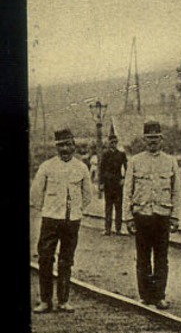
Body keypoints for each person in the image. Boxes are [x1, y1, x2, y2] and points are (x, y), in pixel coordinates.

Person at [32, 128, 93, 313]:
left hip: (71, 221)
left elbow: (87, 195)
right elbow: (35, 193)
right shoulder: (47, 167)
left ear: (74, 145)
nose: (64, 149)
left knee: (66, 260)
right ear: (56, 147)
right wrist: (47, 209)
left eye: (68, 145)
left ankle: (63, 301)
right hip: (50, 219)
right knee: (45, 258)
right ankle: (45, 301)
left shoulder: (81, 167)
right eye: (61, 145)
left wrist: (77, 210)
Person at [124, 120, 181, 308]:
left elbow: (176, 192)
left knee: (161, 257)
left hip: (162, 215)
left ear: (162, 139)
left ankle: (159, 295)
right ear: (144, 139)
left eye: (156, 138)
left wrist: (175, 216)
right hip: (141, 214)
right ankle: (145, 295)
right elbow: (128, 191)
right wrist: (128, 217)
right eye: (149, 138)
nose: (153, 142)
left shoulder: (170, 162)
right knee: (142, 257)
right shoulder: (135, 161)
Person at [98, 134, 126, 236]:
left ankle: (118, 229)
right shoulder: (105, 155)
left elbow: (127, 168)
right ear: (109, 143)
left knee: (119, 207)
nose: (113, 144)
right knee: (108, 207)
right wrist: (101, 183)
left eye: (115, 142)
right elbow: (101, 169)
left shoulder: (121, 155)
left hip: (118, 184)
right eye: (112, 142)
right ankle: (107, 229)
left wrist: (124, 179)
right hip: (108, 184)